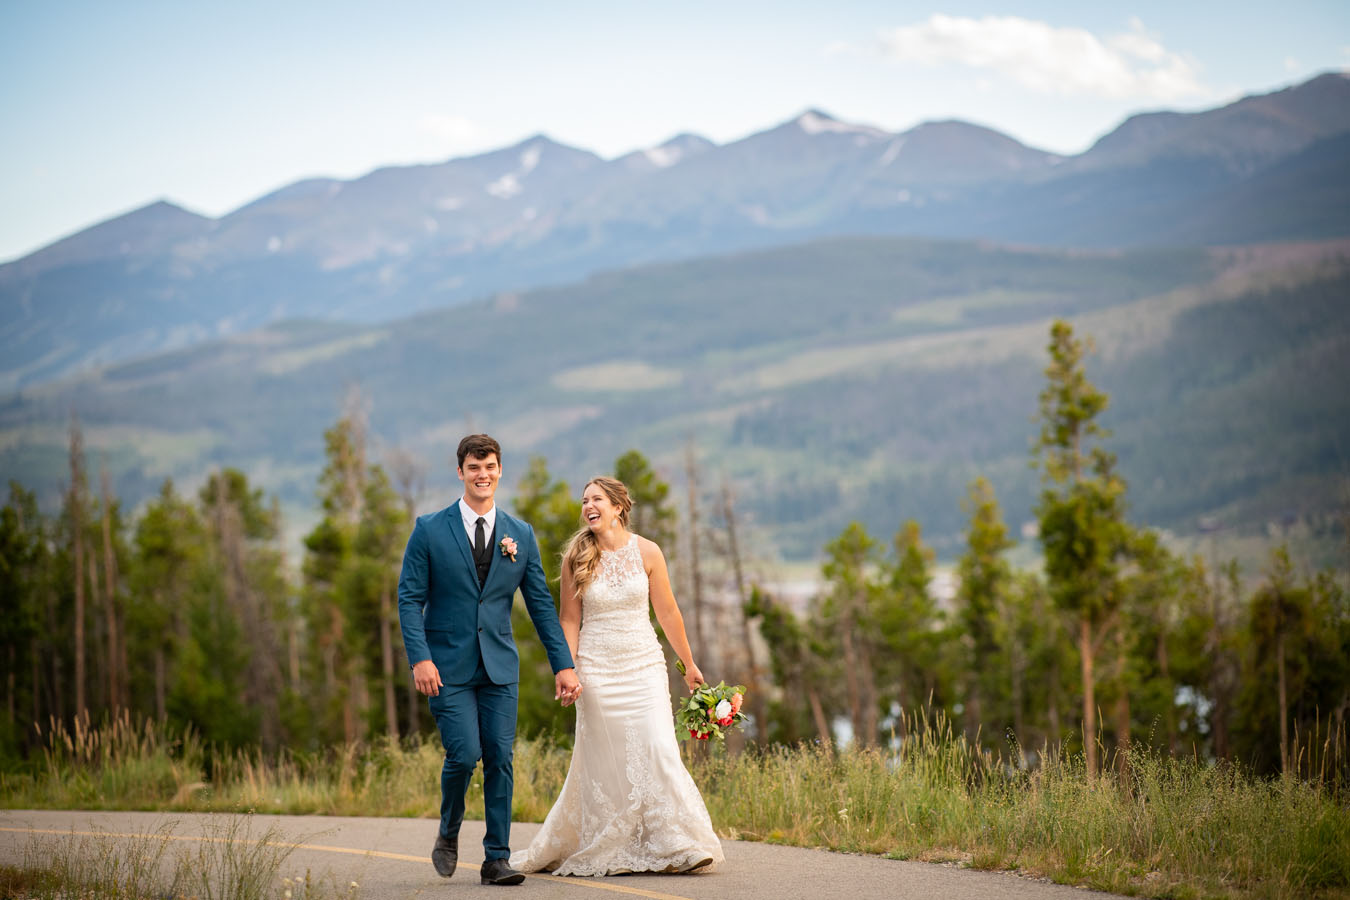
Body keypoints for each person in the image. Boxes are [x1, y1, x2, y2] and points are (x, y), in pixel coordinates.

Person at [510, 476, 725, 876]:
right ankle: (615, 843)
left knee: (659, 747)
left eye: (596, 499)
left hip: (644, 665)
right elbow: (569, 619)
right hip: (597, 669)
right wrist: (567, 669)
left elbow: (668, 613)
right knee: (607, 761)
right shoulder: (576, 555)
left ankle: (679, 842)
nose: (588, 506)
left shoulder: (648, 551)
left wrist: (690, 664)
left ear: (618, 507)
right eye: (584, 500)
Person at [397, 433, 582, 887]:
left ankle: (496, 858)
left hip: (500, 666)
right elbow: (408, 598)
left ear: (500, 471)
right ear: (460, 472)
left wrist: (563, 664)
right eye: (474, 467)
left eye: (490, 466)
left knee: (500, 756)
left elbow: (539, 603)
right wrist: (420, 659)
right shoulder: (429, 529)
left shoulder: (520, 534)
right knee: (464, 754)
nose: (483, 475)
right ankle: (448, 830)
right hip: (446, 666)